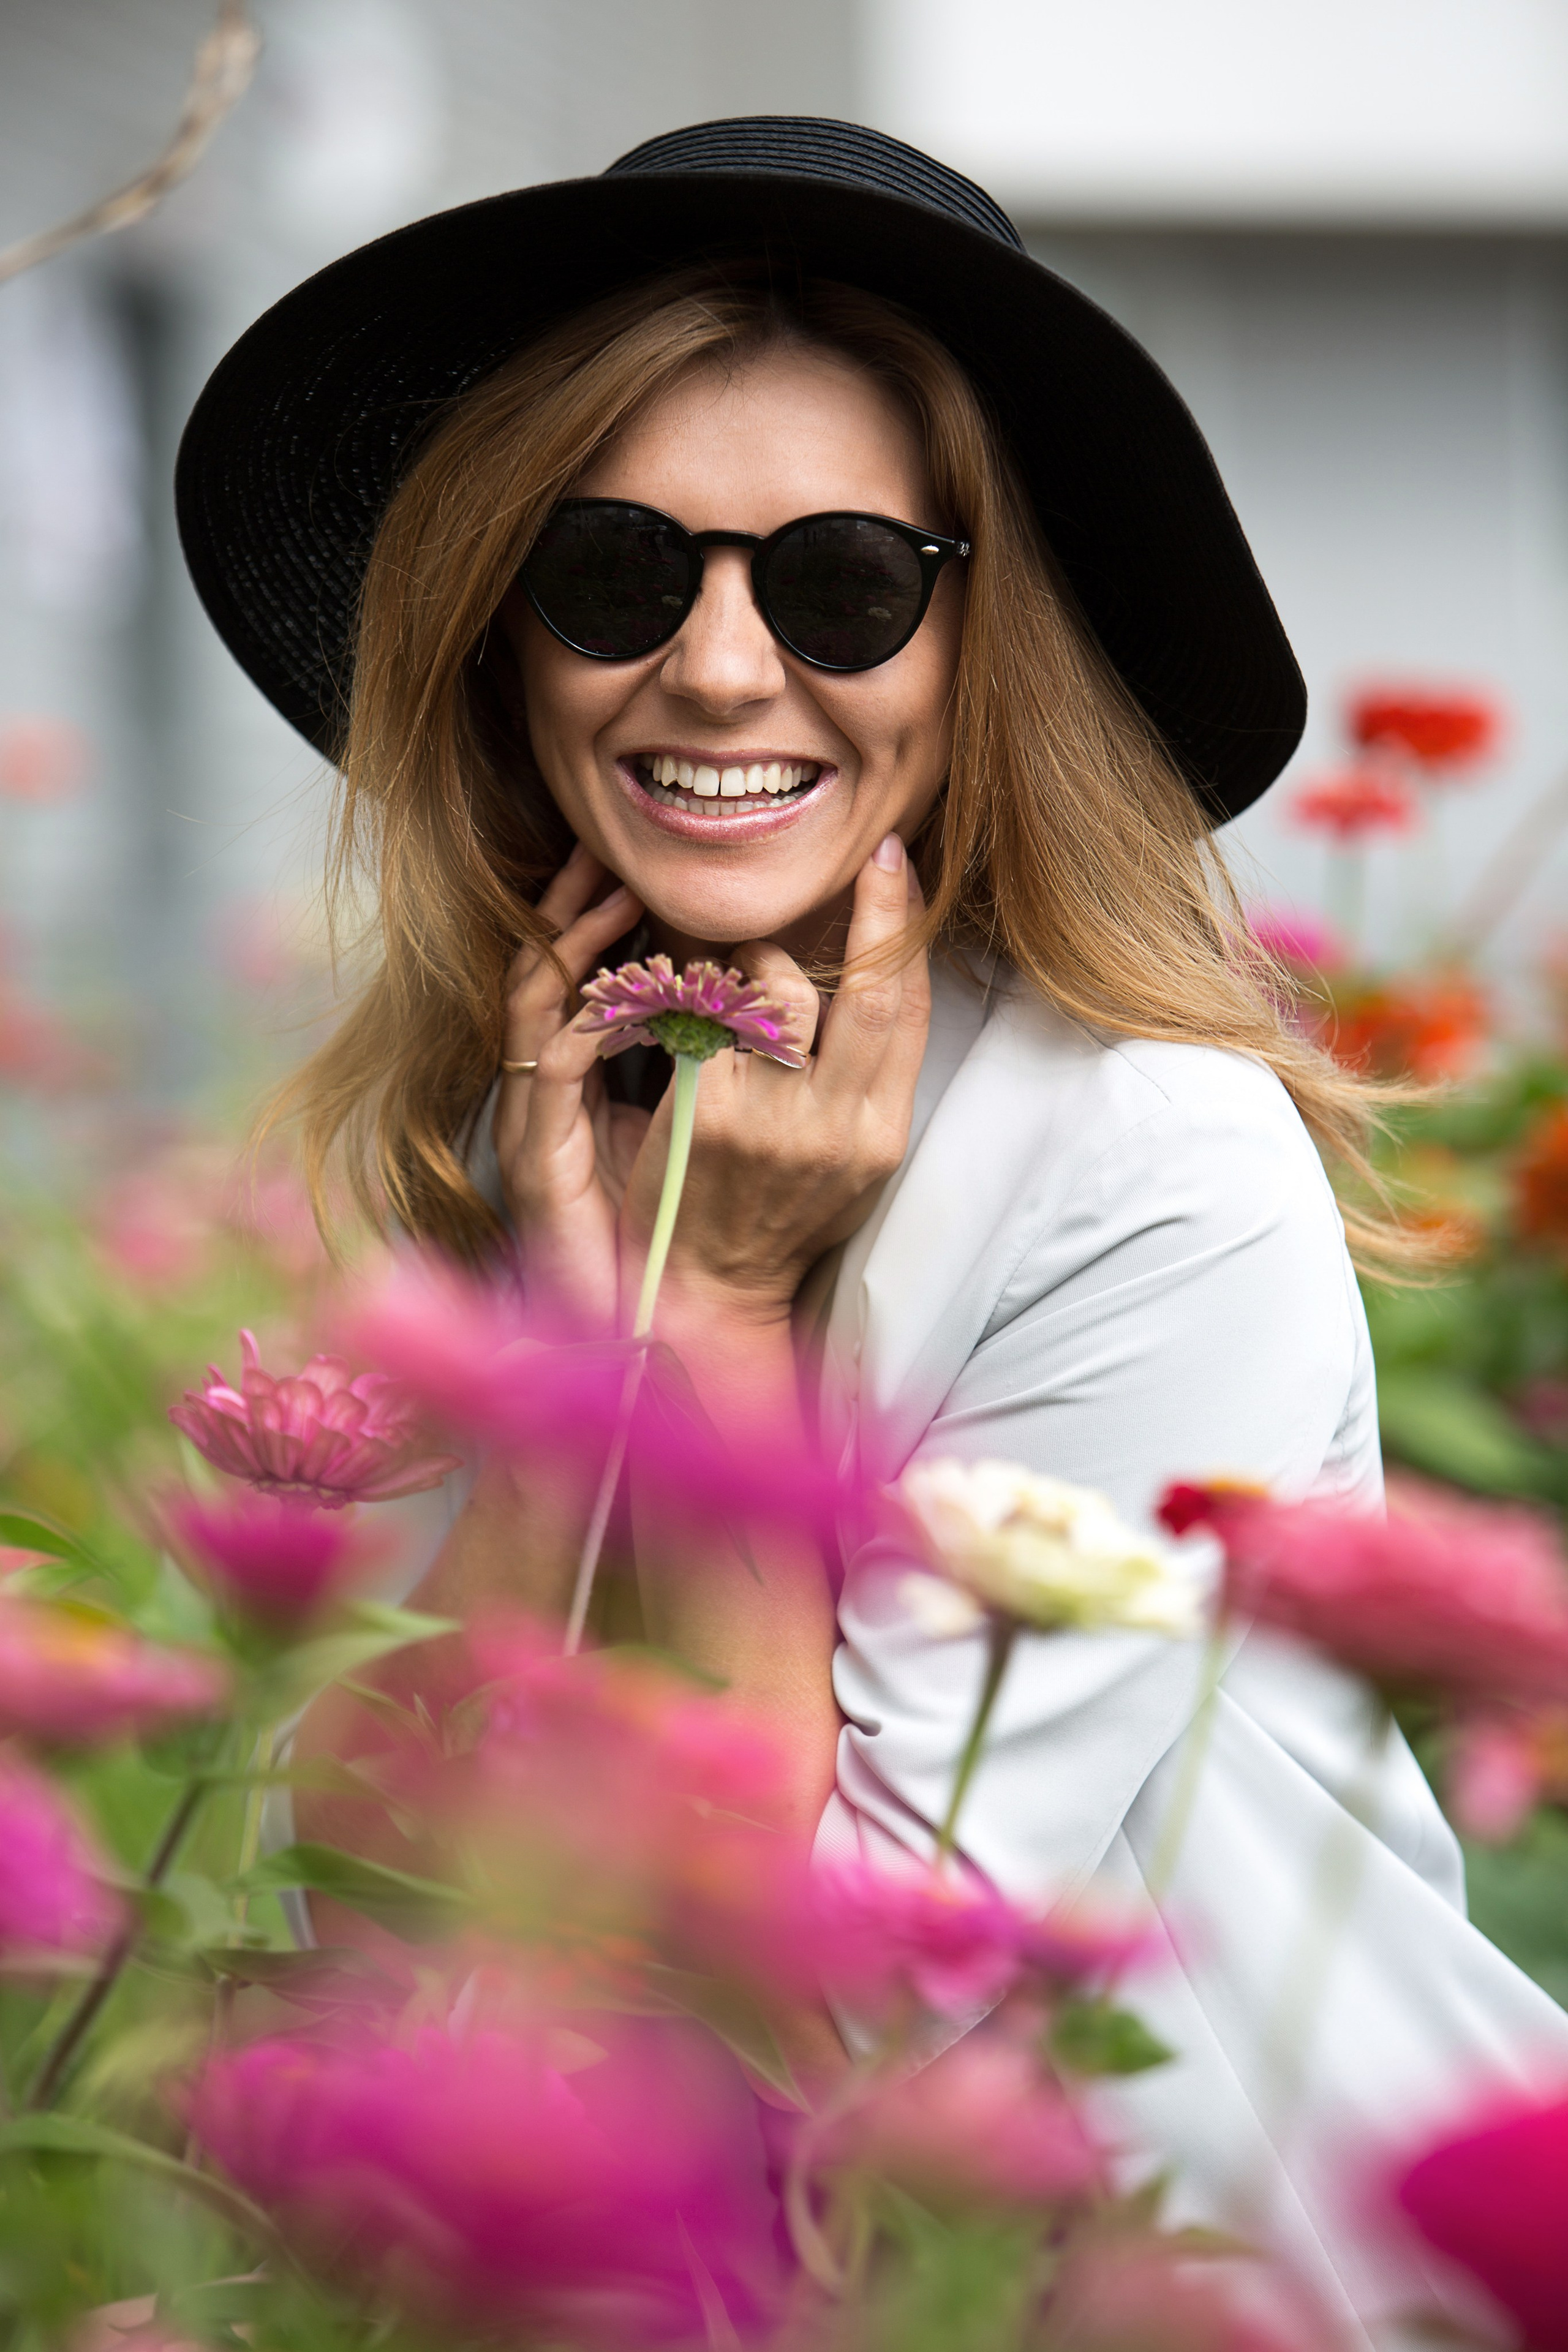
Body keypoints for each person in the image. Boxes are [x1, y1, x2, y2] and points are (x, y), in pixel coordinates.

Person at [178, 117, 1568, 2342]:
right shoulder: (542, 1119)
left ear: (974, 646)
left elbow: (836, 2020)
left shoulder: (1150, 1163)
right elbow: (367, 1935)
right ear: (505, 636)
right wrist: (569, 1340)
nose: (720, 673)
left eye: (838, 583)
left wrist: (713, 1312)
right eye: (617, 571)